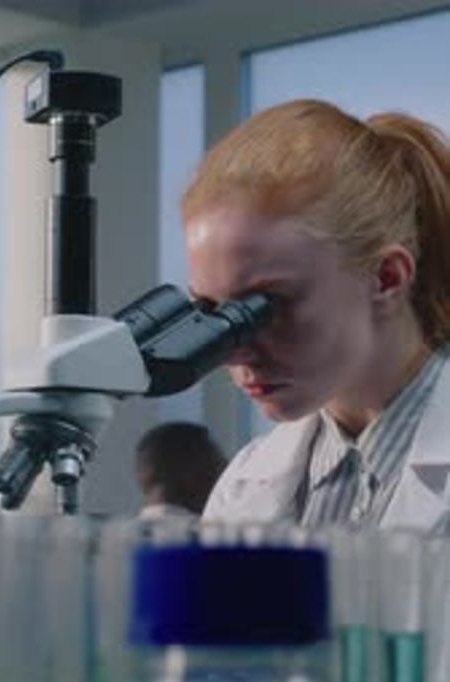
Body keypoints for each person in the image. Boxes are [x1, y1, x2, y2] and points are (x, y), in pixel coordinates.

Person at [181, 98, 450, 531]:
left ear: (386, 277)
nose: (234, 353)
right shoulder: (245, 484)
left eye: (266, 305)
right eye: (212, 310)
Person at [134, 421, 227, 519]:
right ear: (191, 474)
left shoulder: (125, 527)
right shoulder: (215, 528)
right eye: (218, 465)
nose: (224, 479)